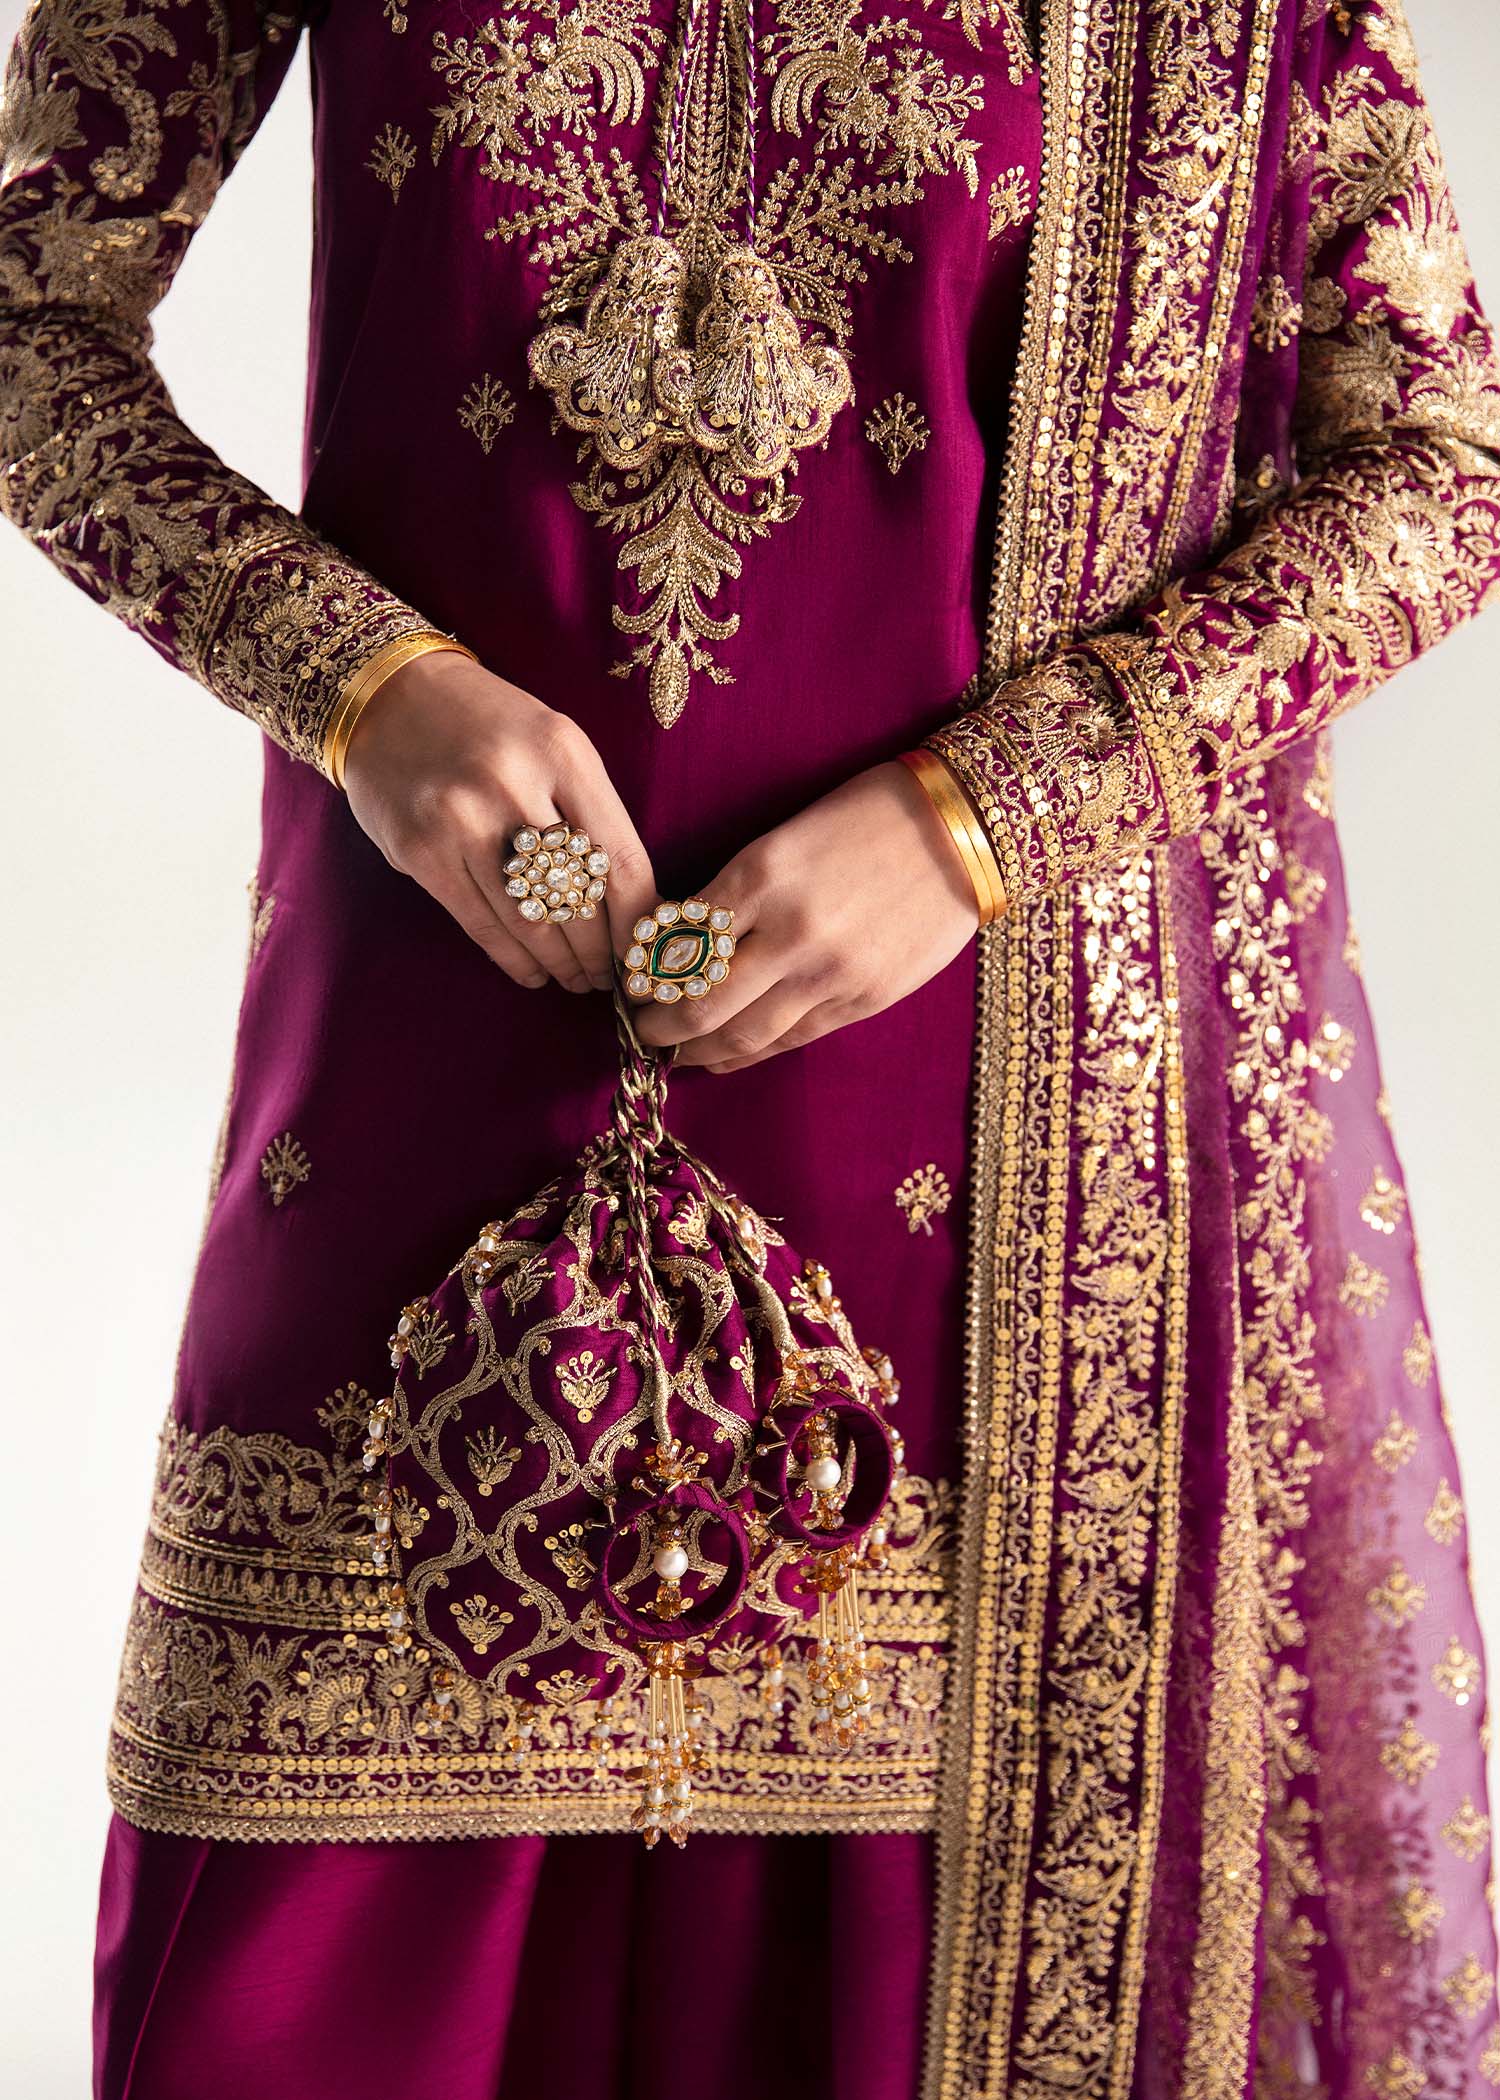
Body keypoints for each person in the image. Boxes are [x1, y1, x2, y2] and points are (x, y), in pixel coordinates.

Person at [3, 0, 1498, 2092]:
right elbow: (31, 326)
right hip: (425, 1083)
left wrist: (987, 820)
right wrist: (360, 685)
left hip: (1001, 1182)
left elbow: (1436, 470)